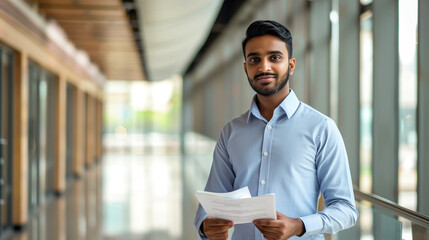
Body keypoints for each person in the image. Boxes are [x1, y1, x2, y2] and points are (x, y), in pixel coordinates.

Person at [194, 20, 358, 240]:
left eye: (275, 58)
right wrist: (206, 226)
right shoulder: (231, 132)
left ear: (290, 65)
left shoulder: (321, 128)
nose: (264, 67)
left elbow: (346, 209)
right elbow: (212, 200)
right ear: (246, 68)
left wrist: (299, 226)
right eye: (254, 59)